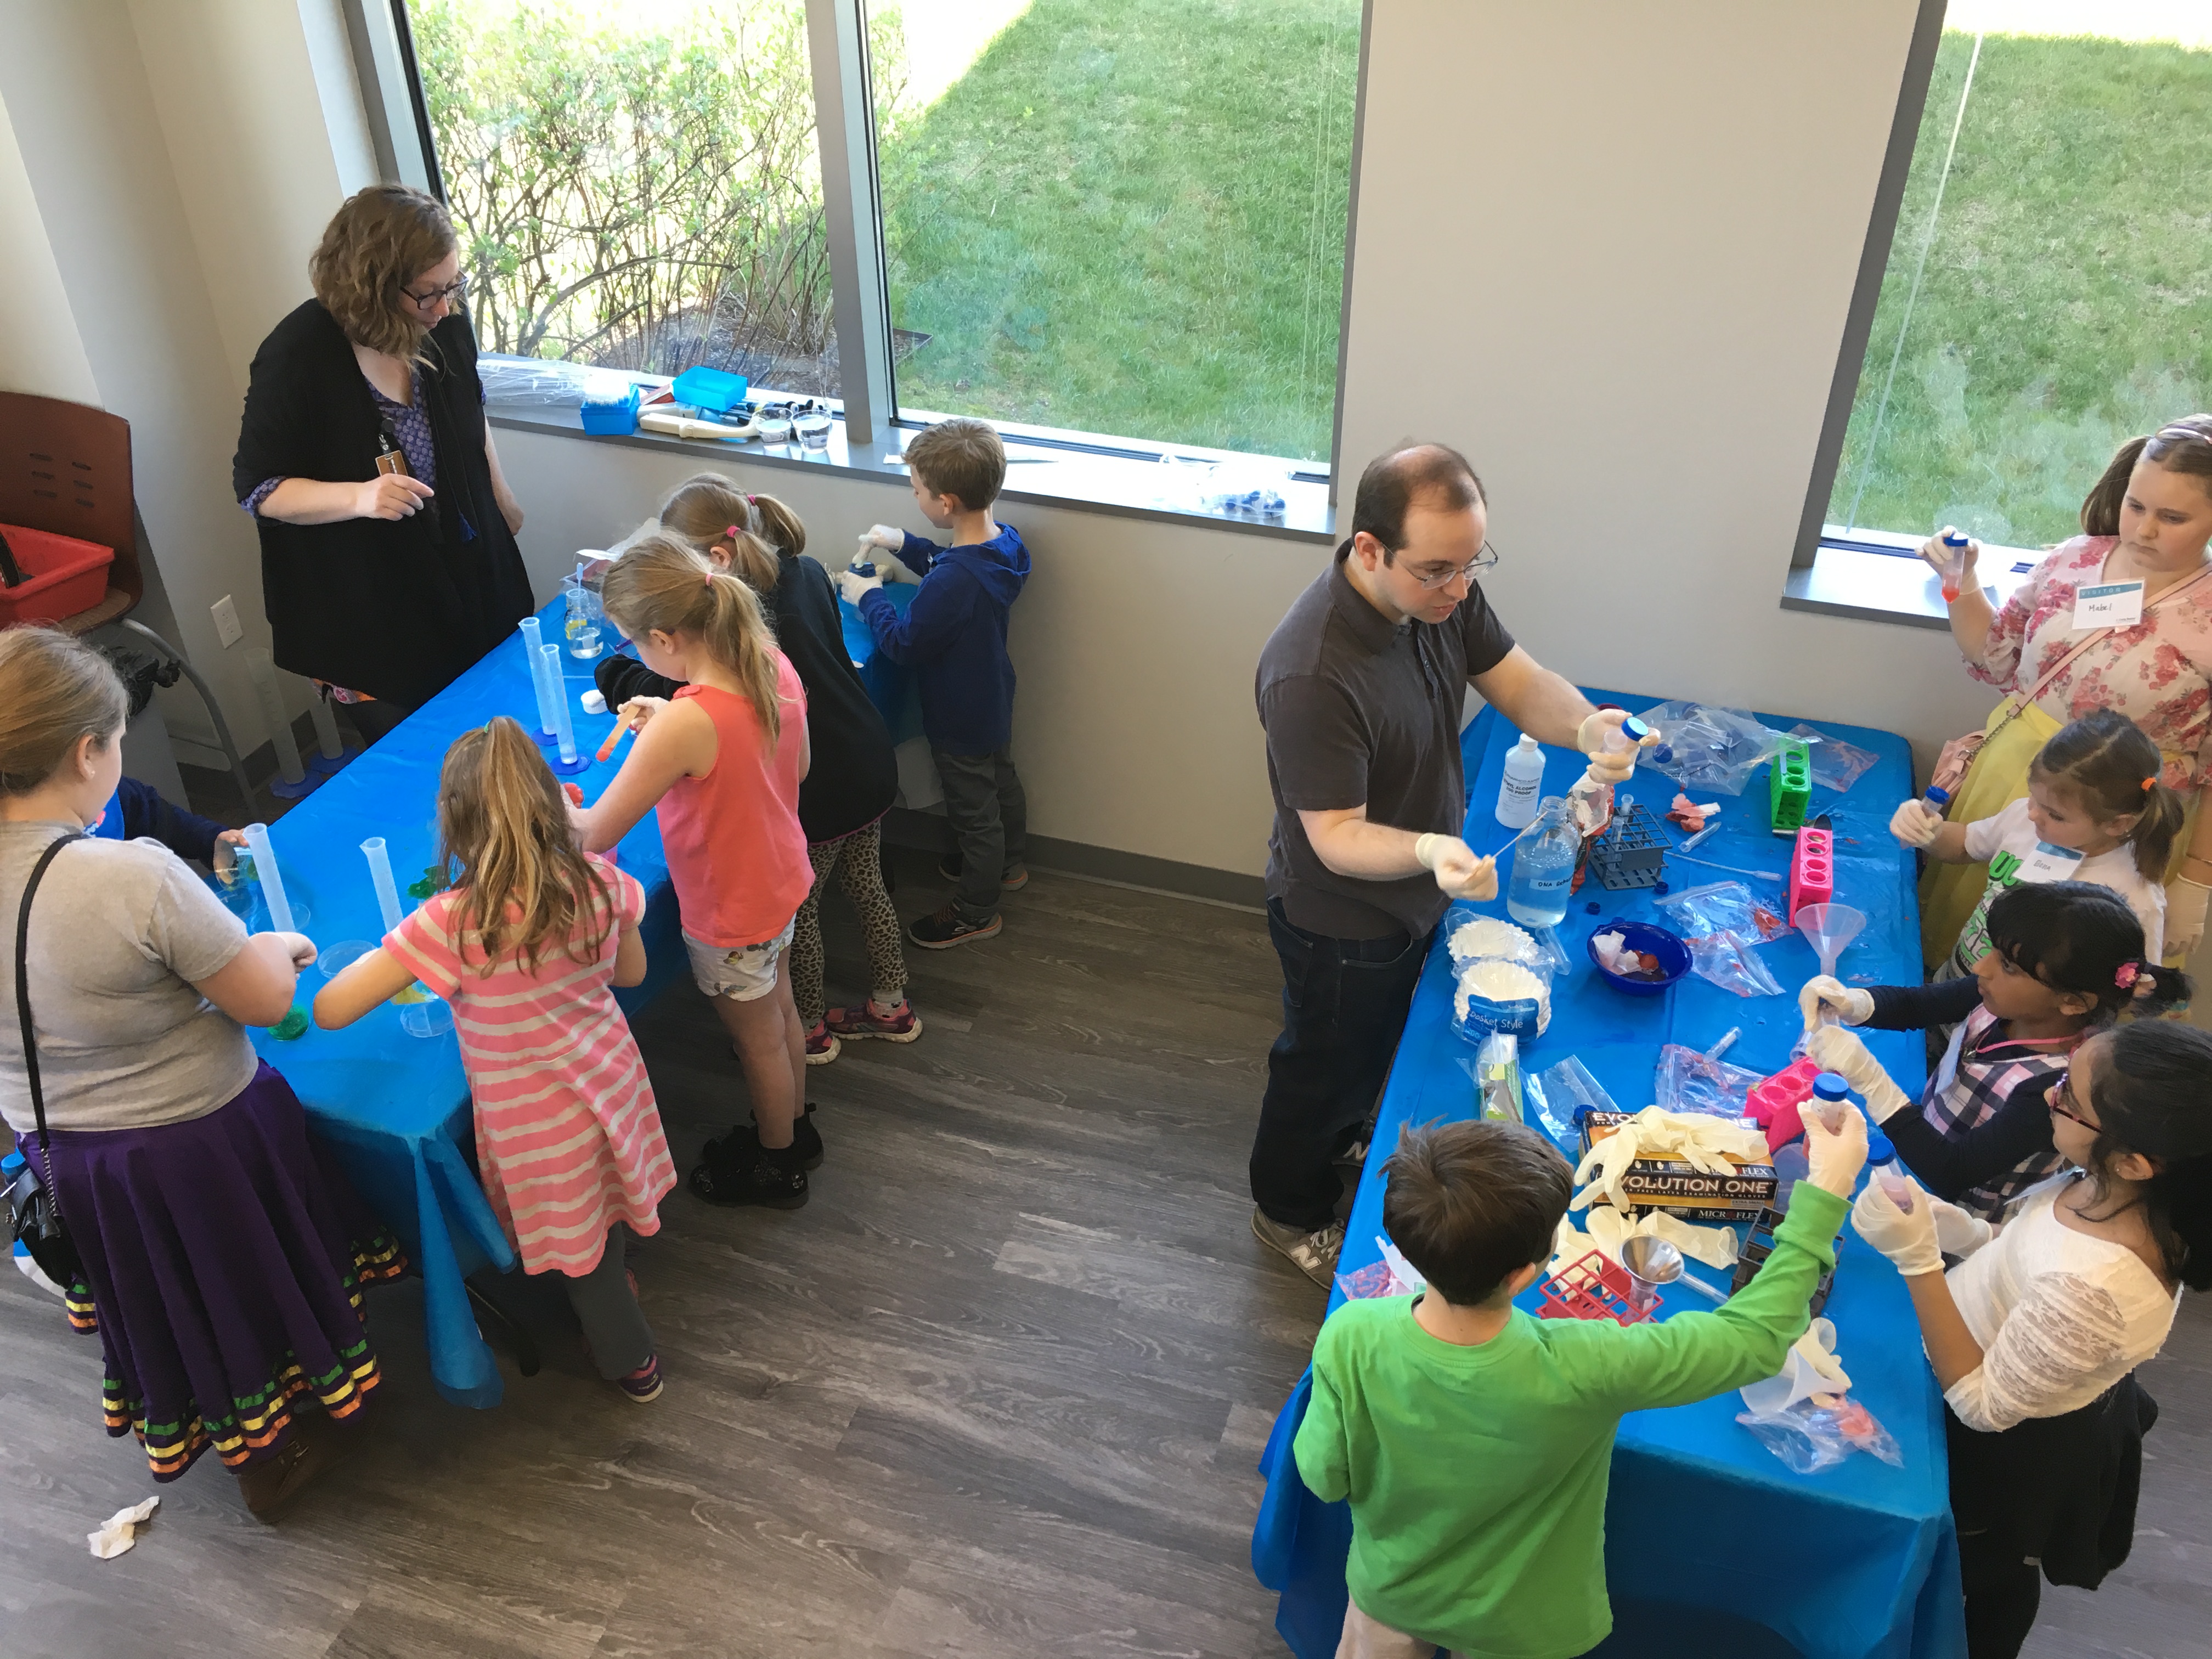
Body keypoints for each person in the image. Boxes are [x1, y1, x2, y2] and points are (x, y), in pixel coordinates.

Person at [0, 627, 403, 1521]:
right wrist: (277, 946)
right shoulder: (128, 875)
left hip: (73, 1155)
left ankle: (243, 1442)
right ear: (85, 752)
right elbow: (261, 999)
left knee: (180, 1298)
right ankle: (292, 1435)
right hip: (198, 1138)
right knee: (247, 1277)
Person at [1248, 443, 1650, 1286]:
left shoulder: (1438, 594)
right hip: (1342, 922)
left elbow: (1518, 680)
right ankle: (1286, 1210)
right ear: (1369, 550)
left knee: (1377, 1053)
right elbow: (1334, 837)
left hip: (1417, 901)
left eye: (1472, 565)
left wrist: (1587, 731)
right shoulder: (1312, 672)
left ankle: (1351, 1130)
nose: (1461, 589)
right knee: (1323, 1067)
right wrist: (1429, 848)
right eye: (1438, 571)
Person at [1294, 1111, 1866, 1659]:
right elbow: (1754, 1339)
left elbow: (1323, 1476)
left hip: (1393, 1595)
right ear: (1522, 1274)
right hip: (1519, 1624)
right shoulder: (1586, 1363)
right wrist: (1827, 1194)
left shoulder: (1349, 1334)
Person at [313, 717, 673, 1402]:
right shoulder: (602, 883)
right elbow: (631, 974)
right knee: (608, 1193)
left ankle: (632, 1357)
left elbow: (332, 1010)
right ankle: (608, 1275)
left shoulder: (450, 923)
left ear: (454, 828)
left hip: (537, 1123)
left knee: (583, 1251)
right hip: (609, 1080)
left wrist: (365, 955)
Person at [1849, 1021, 2211, 1658]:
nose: (2048, 1095)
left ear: (2134, 1162)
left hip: (1998, 1453)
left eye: (2070, 1095)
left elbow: (1983, 1406)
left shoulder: (2096, 1288)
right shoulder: (2097, 1183)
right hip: (1972, 1352)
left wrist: (1918, 1261)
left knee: (1977, 1568)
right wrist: (1958, 1231)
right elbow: (2025, 1256)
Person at [601, 477, 916, 1064]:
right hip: (867, 760)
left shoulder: (756, 629)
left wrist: (632, 684)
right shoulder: (806, 571)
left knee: (805, 916)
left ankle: (813, 1026)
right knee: (867, 888)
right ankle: (891, 1002)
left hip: (825, 789)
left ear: (717, 561)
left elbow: (709, 697)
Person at [234, 183, 534, 746]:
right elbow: (258, 488)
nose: (445, 307)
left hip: (464, 569)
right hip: (365, 603)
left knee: (501, 732)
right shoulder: (297, 356)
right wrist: (360, 497)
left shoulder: (444, 324)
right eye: (428, 294)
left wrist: (500, 495)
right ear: (372, 286)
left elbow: (472, 410)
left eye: (453, 286)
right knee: (426, 759)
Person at [573, 535, 818, 1208]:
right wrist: (671, 726)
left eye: (632, 644)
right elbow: (788, 768)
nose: (634, 657)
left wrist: (533, 808)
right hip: (781, 880)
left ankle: (776, 1162)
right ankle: (795, 1130)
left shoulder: (687, 722)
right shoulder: (770, 662)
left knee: (758, 1042)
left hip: (729, 909)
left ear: (663, 637)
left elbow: (594, 832)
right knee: (782, 1013)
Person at [1917, 415, 2212, 969]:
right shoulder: (2075, 557)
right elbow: (1996, 654)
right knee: (1971, 934)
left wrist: (2199, 878)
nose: (2144, 530)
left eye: (2172, 517)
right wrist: (1960, 582)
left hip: (2117, 819)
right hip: (2020, 781)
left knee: (2061, 966)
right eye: (2136, 506)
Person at [1804, 881, 2189, 1216]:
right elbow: (1918, 1005)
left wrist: (1870, 1080)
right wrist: (1854, 1003)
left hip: (1963, 1207)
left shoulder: (2057, 1089)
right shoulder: (1998, 998)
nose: (1980, 968)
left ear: (2073, 1002)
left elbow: (1952, 1171)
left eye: (2006, 965)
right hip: (1926, 1139)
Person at [836, 418, 1031, 950]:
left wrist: (867, 596)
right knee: (1001, 783)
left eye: (916, 489)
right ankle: (1008, 864)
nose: (913, 494)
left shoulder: (954, 582)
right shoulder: (1004, 545)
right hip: (993, 696)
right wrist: (905, 544)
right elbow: (951, 563)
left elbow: (903, 642)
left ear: (946, 502)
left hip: (958, 712)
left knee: (974, 812)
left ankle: (977, 908)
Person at [1895, 709, 2174, 978]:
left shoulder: (2134, 899)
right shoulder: (2026, 818)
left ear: (2117, 824)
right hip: (1958, 979)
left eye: (2055, 815)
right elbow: (1964, 845)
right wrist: (1931, 832)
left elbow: (2135, 989)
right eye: (2033, 797)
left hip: (2019, 1020)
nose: (2032, 814)